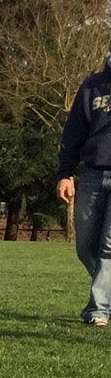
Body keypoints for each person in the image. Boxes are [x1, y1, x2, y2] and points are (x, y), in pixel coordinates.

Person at [56, 52, 111, 326]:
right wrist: (65, 173)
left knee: (108, 247)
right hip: (91, 174)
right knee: (85, 246)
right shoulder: (92, 86)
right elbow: (73, 132)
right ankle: (107, 293)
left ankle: (99, 310)